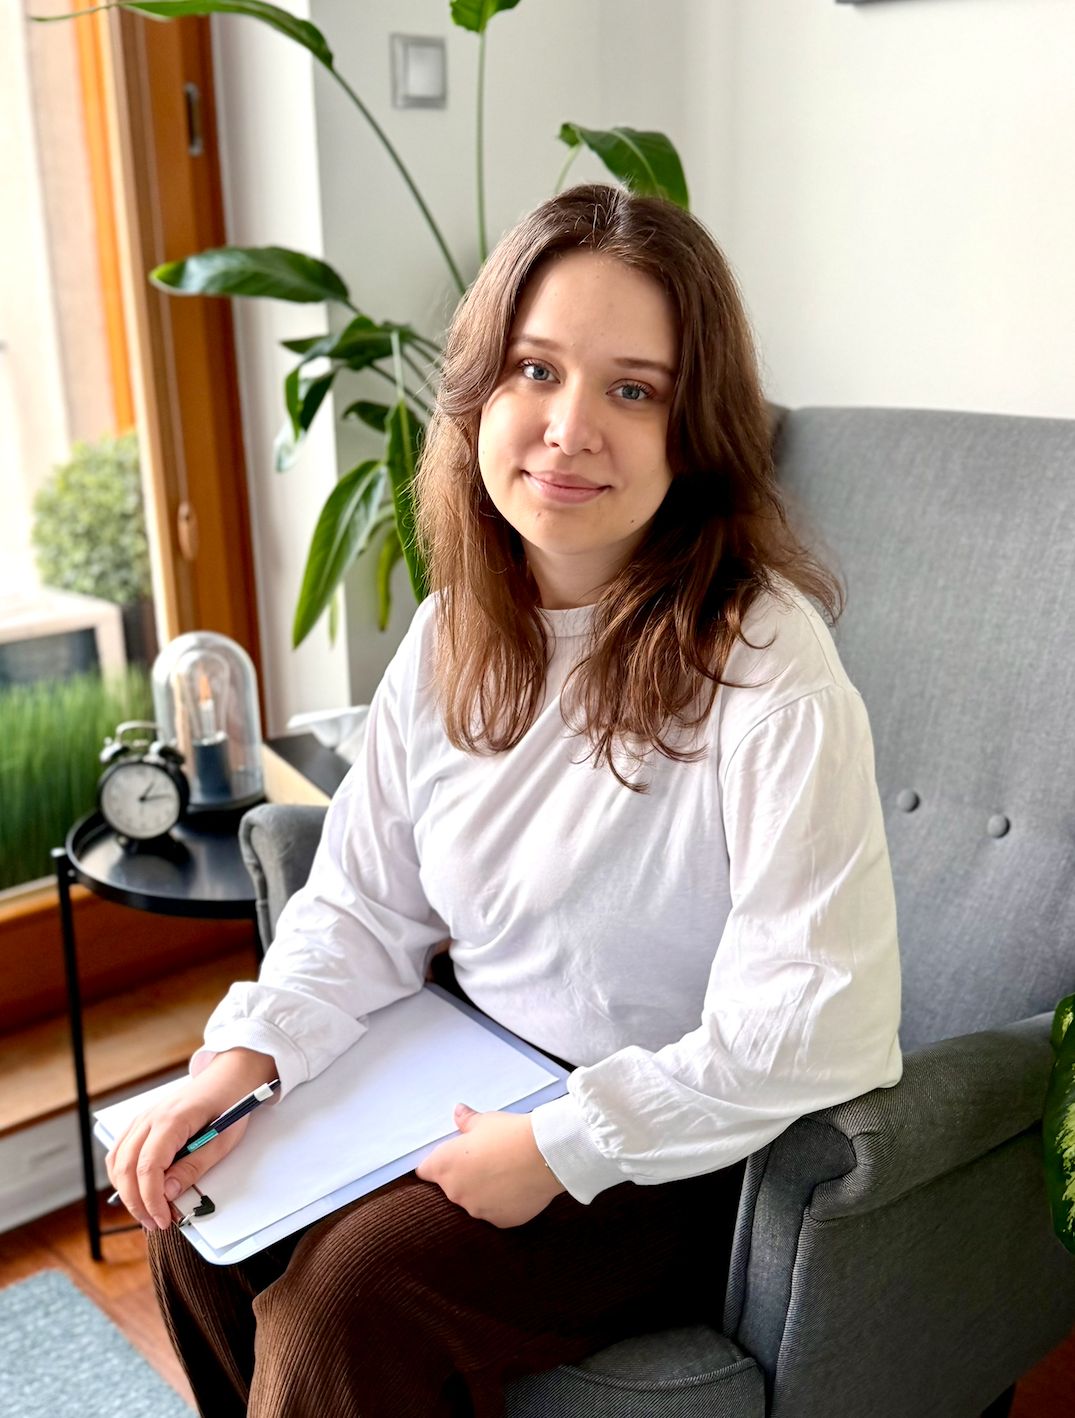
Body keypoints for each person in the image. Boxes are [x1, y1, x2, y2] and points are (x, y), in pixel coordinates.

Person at [107, 183, 902, 1417]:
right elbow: (363, 904)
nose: (568, 427)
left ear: (692, 431)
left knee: (345, 1300)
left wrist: (561, 1146)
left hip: (669, 1143)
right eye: (535, 369)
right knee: (199, 1202)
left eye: (633, 389)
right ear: (480, 391)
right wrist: (240, 1062)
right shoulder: (449, 634)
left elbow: (823, 1020)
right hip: (465, 1062)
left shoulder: (767, 668)